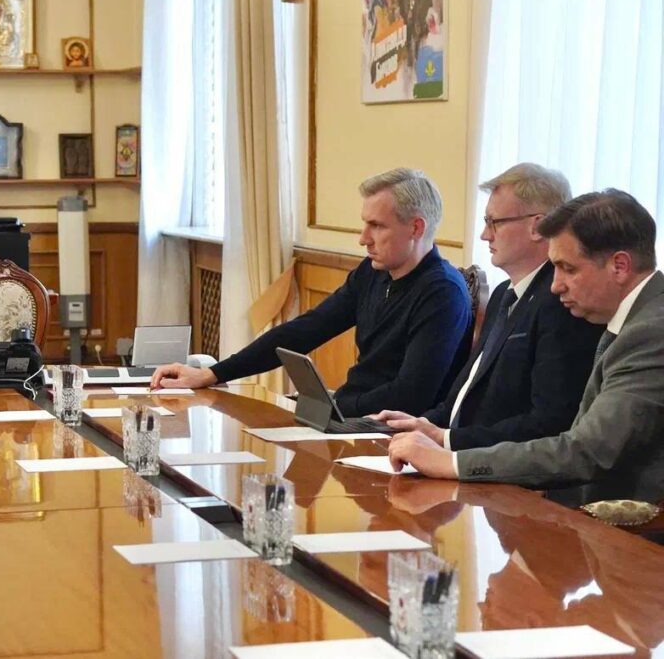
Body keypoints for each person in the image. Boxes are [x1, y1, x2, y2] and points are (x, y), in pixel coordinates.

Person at [389, 189, 664, 504]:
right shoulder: (634, 319)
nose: (556, 285)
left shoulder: (651, 333)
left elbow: (589, 451)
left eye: (569, 269)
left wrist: (451, 462)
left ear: (620, 266)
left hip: (629, 526)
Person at [152, 167, 473, 417]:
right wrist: (211, 373)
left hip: (386, 433)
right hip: (347, 416)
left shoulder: (442, 293)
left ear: (416, 228)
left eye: (377, 226)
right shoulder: (373, 272)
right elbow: (304, 330)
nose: (363, 238)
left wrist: (333, 410)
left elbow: (409, 396)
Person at [373, 163, 603, 450]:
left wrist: (446, 440)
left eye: (494, 222)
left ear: (537, 226)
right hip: (457, 451)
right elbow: (465, 398)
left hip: (496, 465)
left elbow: (549, 424)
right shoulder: (503, 294)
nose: (484, 235)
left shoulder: (562, 303)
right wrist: (421, 424)